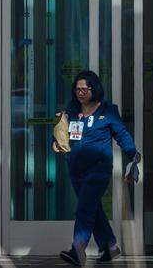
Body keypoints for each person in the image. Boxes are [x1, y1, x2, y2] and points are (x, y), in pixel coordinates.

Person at [52, 70, 139, 266]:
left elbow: (122, 134)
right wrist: (56, 142)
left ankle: (78, 249)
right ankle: (110, 246)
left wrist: (132, 153)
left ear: (95, 89)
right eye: (77, 89)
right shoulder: (72, 109)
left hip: (99, 168)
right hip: (76, 169)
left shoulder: (107, 110)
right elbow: (61, 130)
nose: (80, 92)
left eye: (85, 89)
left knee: (84, 208)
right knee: (93, 208)